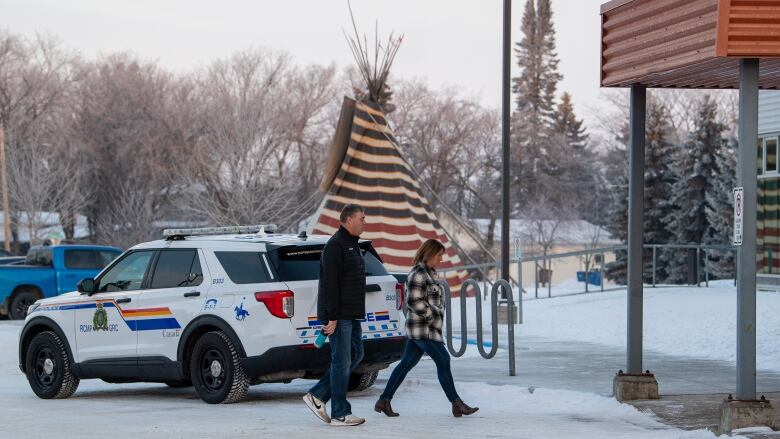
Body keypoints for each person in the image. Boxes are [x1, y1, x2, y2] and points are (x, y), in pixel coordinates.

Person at [374, 239, 479, 418]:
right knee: (443, 359)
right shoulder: (418, 274)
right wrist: (432, 317)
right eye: (439, 255)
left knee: (406, 363)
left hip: (426, 329)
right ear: (430, 254)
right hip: (423, 329)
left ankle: (384, 400)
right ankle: (456, 403)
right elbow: (414, 301)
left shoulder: (430, 273)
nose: (441, 259)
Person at [303, 204, 368, 426]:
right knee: (341, 361)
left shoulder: (352, 244)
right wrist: (331, 318)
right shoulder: (336, 246)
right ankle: (340, 413)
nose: (364, 222)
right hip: (339, 316)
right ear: (349, 220)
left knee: (356, 355)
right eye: (361, 218)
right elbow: (330, 285)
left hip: (352, 313)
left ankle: (317, 394)